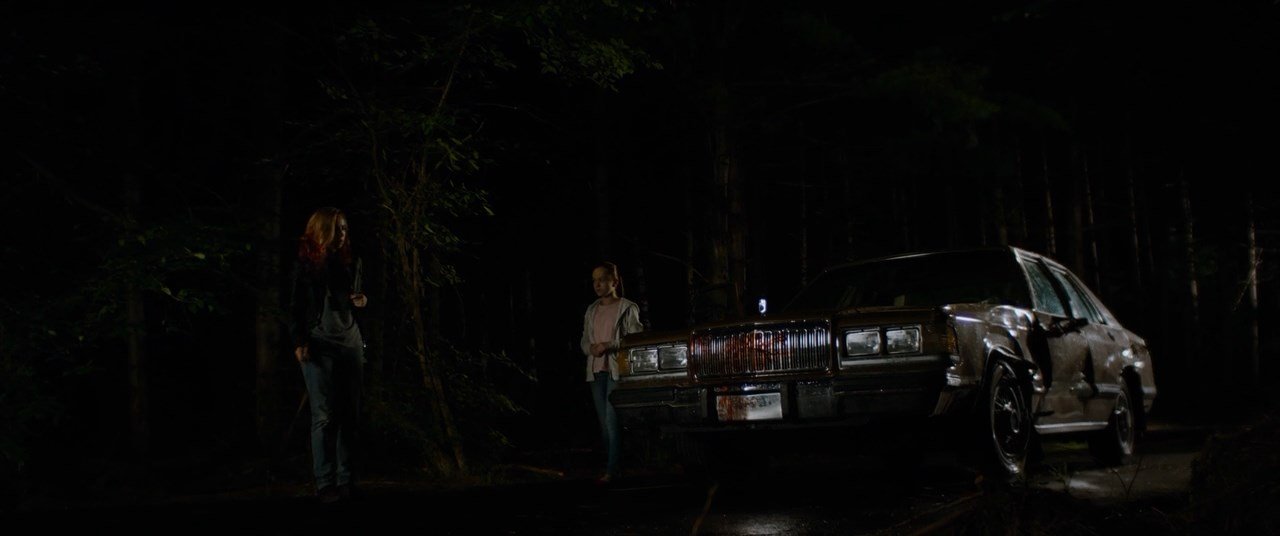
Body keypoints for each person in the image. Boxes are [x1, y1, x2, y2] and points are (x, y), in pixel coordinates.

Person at [288, 207, 368, 504]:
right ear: (322, 231)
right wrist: (299, 341)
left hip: (350, 342)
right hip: (319, 343)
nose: (343, 233)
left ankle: (347, 480)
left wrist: (362, 301)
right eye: (337, 228)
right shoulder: (306, 265)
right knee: (324, 415)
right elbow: (295, 305)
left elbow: (357, 298)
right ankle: (325, 483)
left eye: (345, 228)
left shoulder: (352, 261)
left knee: (350, 413)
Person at [579, 261, 643, 484]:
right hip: (596, 371)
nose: (597, 284)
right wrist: (591, 348)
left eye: (602, 280)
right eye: (594, 281)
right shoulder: (592, 309)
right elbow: (584, 340)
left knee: (612, 420)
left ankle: (612, 471)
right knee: (604, 424)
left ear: (614, 282)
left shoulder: (627, 307)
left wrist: (610, 345)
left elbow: (634, 338)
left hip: (617, 371)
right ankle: (615, 466)